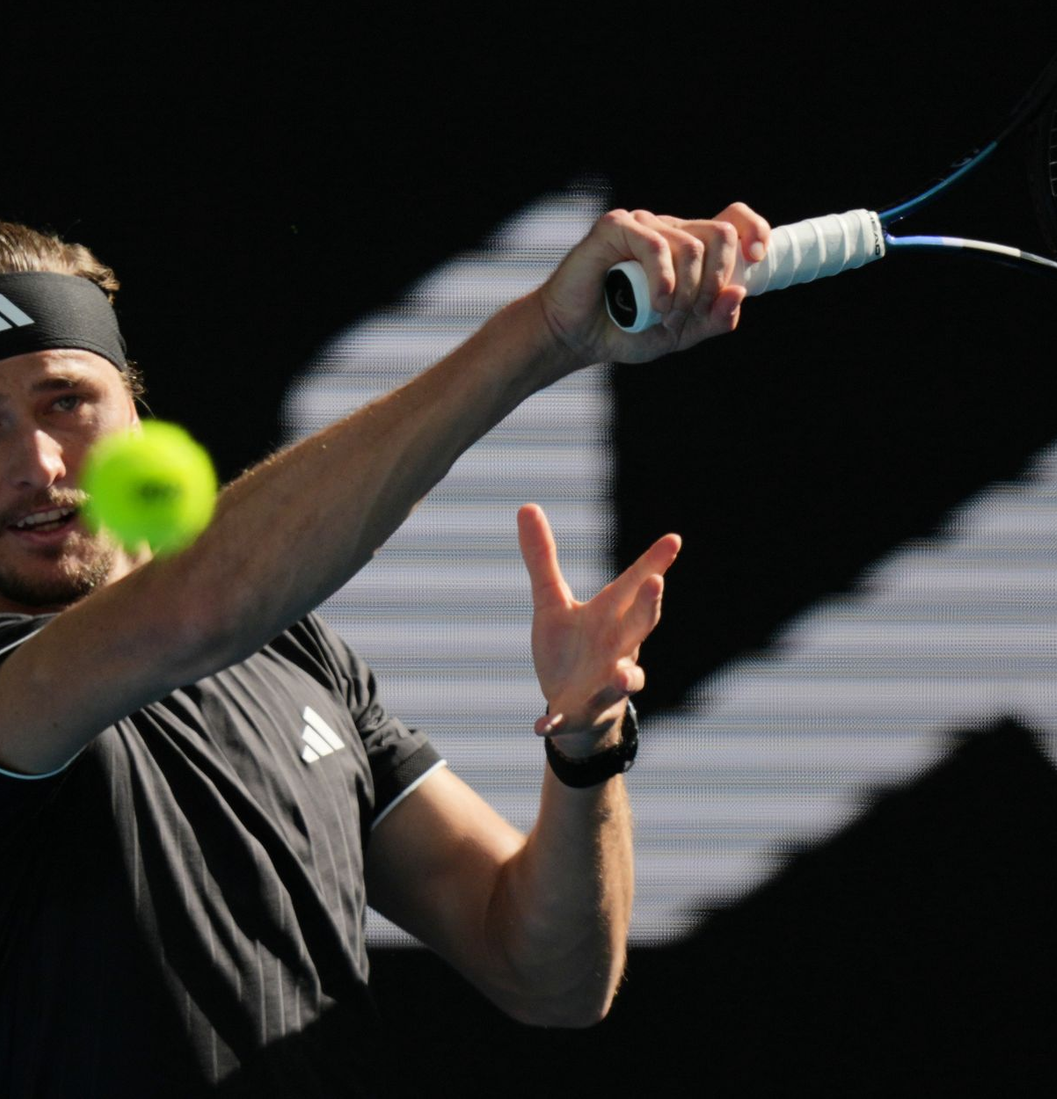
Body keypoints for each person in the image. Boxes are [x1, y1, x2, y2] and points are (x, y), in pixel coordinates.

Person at [0, 203, 770, 1096]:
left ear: (133, 404)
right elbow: (195, 611)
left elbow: (549, 975)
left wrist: (586, 743)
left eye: (66, 400)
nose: (38, 462)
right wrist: (543, 336)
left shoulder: (294, 652)